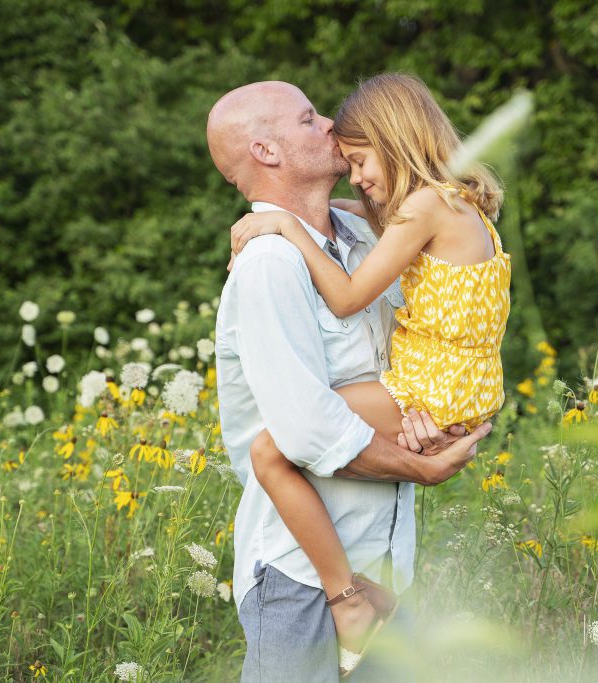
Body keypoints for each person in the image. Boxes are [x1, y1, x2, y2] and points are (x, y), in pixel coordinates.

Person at [207, 80, 492, 682]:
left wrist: (431, 431)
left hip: (387, 568)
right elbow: (307, 431)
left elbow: (419, 368)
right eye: (310, 120)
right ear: (266, 151)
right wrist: (421, 467)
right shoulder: (269, 264)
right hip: (303, 586)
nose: (331, 125)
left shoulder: (365, 238)